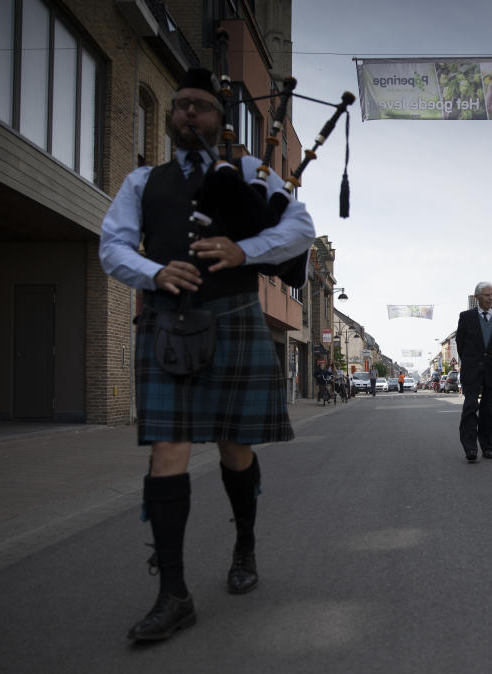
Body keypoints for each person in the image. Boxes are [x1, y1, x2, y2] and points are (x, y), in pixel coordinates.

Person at [99, 67, 315, 642]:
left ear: (220, 121)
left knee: (234, 448)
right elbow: (113, 247)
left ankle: (244, 543)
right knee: (166, 450)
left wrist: (243, 250)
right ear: (171, 119)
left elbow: (300, 231)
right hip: (169, 323)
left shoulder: (252, 172)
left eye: (200, 106)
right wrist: (152, 270)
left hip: (236, 319)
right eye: (181, 105)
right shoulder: (143, 182)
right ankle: (173, 593)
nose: (189, 113)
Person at [456, 282, 492, 463]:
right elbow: (461, 345)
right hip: (471, 371)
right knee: (470, 408)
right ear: (478, 297)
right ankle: (470, 448)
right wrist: (472, 361)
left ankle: (487, 447)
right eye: (487, 295)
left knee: (488, 411)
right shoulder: (466, 317)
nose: (490, 298)